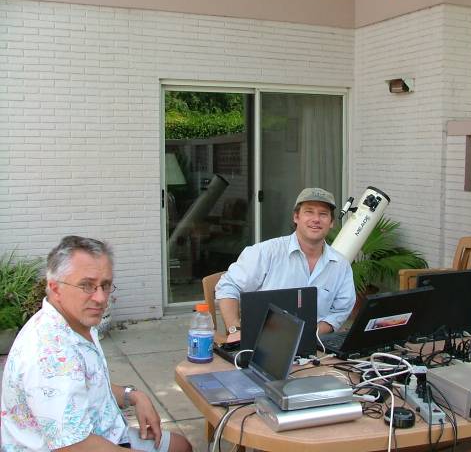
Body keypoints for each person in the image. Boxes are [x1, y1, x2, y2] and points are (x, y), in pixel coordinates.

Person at [1, 236, 192, 452]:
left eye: (105, 285)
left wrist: (133, 395)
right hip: (73, 446)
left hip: (102, 432)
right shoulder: (49, 353)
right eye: (87, 286)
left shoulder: (78, 320)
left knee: (181, 446)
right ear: (55, 288)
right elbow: (74, 446)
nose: (101, 298)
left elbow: (90, 384)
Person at [216, 187, 356, 342]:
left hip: (315, 344)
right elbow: (228, 286)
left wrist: (311, 333)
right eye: (309, 212)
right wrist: (235, 329)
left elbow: (340, 311)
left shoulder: (340, 265)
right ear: (296, 217)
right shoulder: (266, 252)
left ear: (331, 222)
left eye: (323, 214)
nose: (316, 219)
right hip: (262, 341)